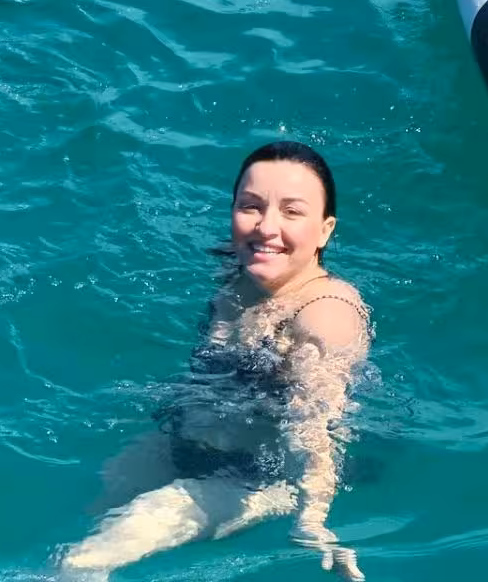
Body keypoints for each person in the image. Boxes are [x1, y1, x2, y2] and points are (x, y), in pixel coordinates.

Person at [61, 141, 371, 581]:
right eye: (251, 207)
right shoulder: (248, 275)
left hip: (253, 480)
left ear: (325, 230)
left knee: (81, 563)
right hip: (187, 444)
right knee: (91, 507)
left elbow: (315, 422)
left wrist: (313, 517)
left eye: (292, 212)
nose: (267, 226)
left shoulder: (324, 315)